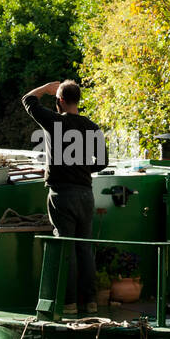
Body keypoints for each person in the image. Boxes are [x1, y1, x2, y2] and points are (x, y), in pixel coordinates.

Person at [21, 79, 109, 315]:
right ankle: (90, 301)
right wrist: (80, 170)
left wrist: (45, 88)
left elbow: (28, 100)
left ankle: (68, 303)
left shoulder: (53, 122)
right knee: (84, 248)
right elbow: (102, 162)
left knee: (65, 248)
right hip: (86, 194)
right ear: (78, 100)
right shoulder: (93, 127)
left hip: (62, 194)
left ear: (59, 101)